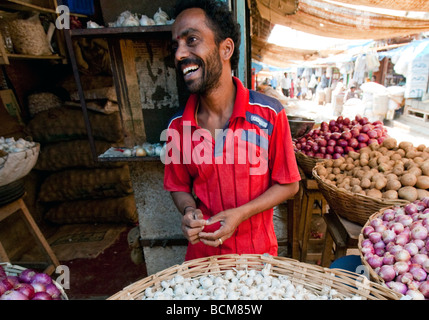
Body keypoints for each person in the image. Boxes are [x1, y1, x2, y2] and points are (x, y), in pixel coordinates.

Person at [164, 0, 301, 261]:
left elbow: (289, 184)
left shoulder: (269, 114)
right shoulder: (177, 128)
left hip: (257, 257)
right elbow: (178, 185)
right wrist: (189, 210)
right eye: (176, 46)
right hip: (202, 260)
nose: (179, 54)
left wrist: (242, 213)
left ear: (225, 48)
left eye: (191, 40)